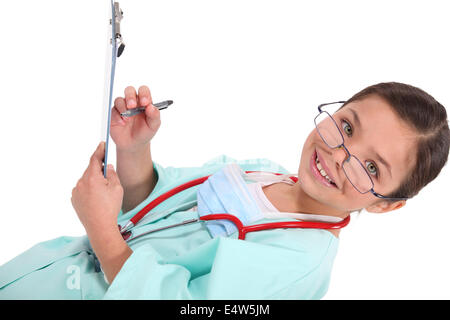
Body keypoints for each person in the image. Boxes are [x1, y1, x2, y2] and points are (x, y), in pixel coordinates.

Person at [0, 82, 448, 299]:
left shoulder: (298, 266)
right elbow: (151, 206)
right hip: (40, 274)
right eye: (347, 126)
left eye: (370, 167)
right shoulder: (261, 173)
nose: (338, 154)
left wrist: (103, 233)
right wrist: (135, 150)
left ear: (387, 205)